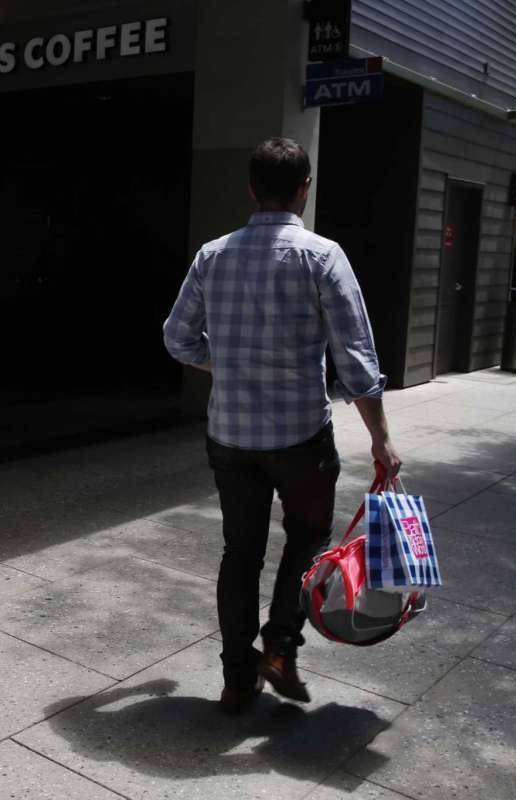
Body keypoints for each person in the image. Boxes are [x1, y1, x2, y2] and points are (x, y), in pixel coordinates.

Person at [163, 137, 402, 715]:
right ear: (305, 188)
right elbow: (357, 360)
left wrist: (225, 363)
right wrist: (381, 439)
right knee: (307, 539)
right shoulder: (323, 256)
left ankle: (236, 679)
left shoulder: (212, 255)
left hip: (230, 436)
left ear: (251, 189)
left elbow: (177, 337)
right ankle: (279, 649)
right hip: (300, 439)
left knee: (238, 553)